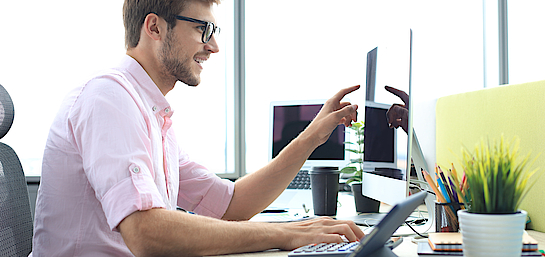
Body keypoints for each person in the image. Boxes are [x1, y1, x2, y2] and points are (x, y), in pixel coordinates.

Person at [30, 0, 364, 256]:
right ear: (155, 27)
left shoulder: (150, 112)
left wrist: (311, 137)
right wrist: (286, 233)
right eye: (203, 29)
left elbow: (231, 205)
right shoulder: (109, 98)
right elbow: (146, 232)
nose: (214, 46)